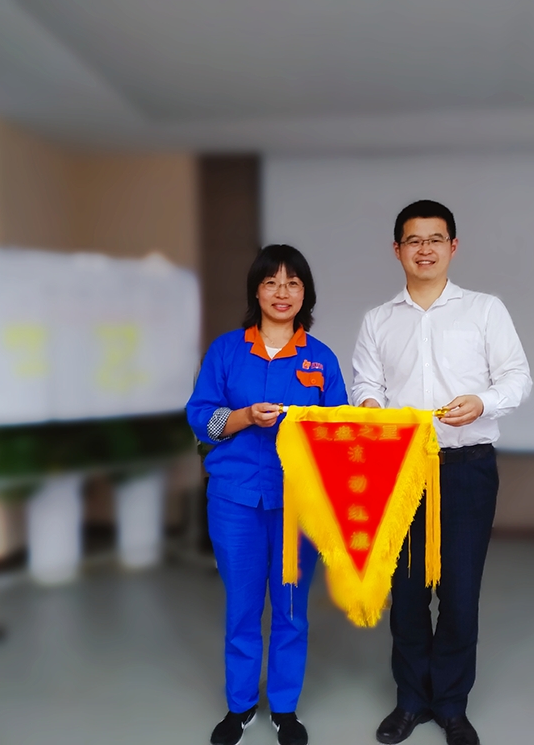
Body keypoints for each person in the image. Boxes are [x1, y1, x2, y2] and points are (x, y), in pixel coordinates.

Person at [352, 200, 532, 745]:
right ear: (397, 250)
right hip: (400, 471)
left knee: (458, 592)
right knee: (406, 594)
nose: (424, 249)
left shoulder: (484, 310)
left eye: (435, 239)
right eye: (414, 240)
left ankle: (451, 703)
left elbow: (517, 377)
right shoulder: (378, 320)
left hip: (465, 469)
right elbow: (366, 384)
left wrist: (482, 403)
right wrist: (370, 407)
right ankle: (411, 700)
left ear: (453, 246)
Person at [187, 244, 348, 745]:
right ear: (256, 291)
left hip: (299, 505)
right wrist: (242, 417)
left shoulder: (320, 359)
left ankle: (284, 707)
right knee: (242, 606)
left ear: (305, 294)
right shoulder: (226, 351)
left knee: (291, 609)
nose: (282, 292)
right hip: (235, 500)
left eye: (293, 283)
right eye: (271, 282)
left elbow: (338, 433)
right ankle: (240, 707)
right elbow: (201, 418)